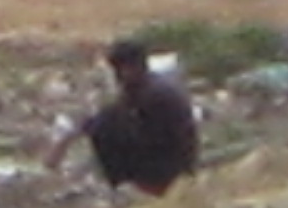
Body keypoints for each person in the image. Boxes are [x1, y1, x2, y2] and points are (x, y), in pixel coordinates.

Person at [47, 37, 198, 196]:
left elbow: (160, 136)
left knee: (105, 127)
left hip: (169, 164)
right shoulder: (143, 86)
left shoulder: (154, 94)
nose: (118, 75)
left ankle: (136, 183)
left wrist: (69, 140)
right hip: (167, 156)